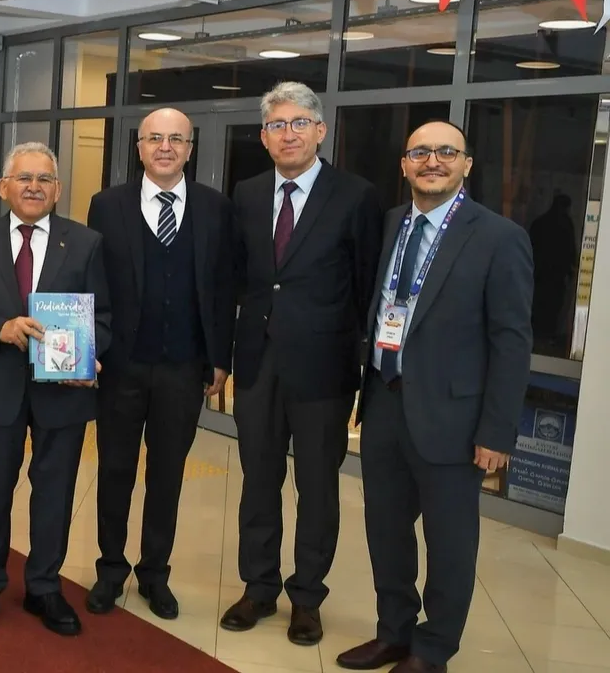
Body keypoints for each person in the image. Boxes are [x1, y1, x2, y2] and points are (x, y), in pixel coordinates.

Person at [336, 122, 533, 673]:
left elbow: (511, 341)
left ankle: (433, 649)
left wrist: (497, 431)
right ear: (404, 165)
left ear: (466, 164)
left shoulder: (498, 237)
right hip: (385, 404)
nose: (433, 161)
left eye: (447, 152)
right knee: (386, 533)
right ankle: (393, 633)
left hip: (455, 420)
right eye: (420, 152)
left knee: (450, 545)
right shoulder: (391, 224)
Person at [223, 81, 383, 644]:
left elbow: (366, 287)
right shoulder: (246, 193)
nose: (287, 134)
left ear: (320, 131)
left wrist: (362, 369)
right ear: (264, 137)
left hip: (323, 370)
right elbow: (239, 277)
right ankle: (258, 587)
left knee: (317, 488)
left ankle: (308, 597)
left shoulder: (356, 196)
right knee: (257, 483)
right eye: (276, 125)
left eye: (298, 123)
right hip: (258, 363)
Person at [0, 141, 111, 637]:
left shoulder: (86, 242)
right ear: (3, 187)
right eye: (24, 178)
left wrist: (90, 353)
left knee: (55, 494)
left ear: (57, 189)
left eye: (44, 179)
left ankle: (44, 586)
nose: (34, 187)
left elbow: (104, 315)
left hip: (63, 390)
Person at [83, 108, 235, 619]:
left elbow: (221, 288)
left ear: (190, 149)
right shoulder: (107, 205)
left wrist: (219, 357)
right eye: (154, 138)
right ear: (139, 147)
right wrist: (88, 349)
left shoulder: (215, 208)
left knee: (167, 475)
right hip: (120, 365)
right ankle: (110, 569)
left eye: (176, 139)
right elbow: (93, 283)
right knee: (115, 471)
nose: (165, 147)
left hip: (183, 368)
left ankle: (154, 573)